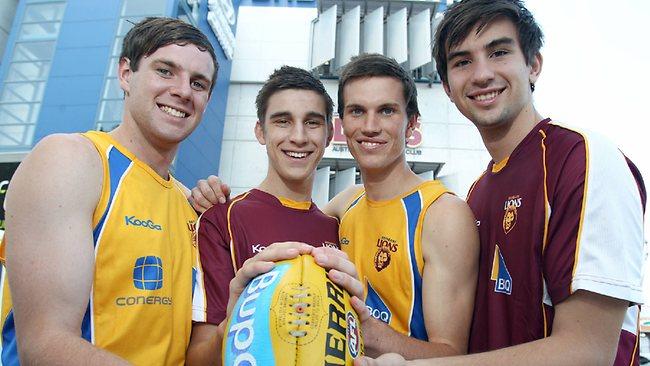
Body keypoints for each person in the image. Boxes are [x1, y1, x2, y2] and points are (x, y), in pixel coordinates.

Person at [360, 0, 646, 365]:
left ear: (534, 65)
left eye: (498, 52)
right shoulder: (477, 192)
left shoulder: (583, 159)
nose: (481, 74)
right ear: (447, 87)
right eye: (463, 62)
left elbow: (587, 352)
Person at [191, 54, 480, 360]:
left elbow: (452, 355)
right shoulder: (342, 209)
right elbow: (286, 214)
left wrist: (364, 331)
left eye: (386, 111)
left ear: (412, 124)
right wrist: (205, 199)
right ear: (343, 126)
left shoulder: (442, 214)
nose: (370, 126)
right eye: (357, 111)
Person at [0, 17, 218, 365]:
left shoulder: (192, 205)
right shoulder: (72, 160)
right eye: (165, 71)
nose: (182, 90)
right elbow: (45, 346)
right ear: (126, 74)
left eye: (198, 83)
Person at [185, 66, 363, 365]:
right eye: (283, 121)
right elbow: (196, 359)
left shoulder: (339, 229)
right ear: (260, 131)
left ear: (330, 133)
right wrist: (236, 319)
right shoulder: (221, 220)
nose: (298, 136)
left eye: (312, 122)